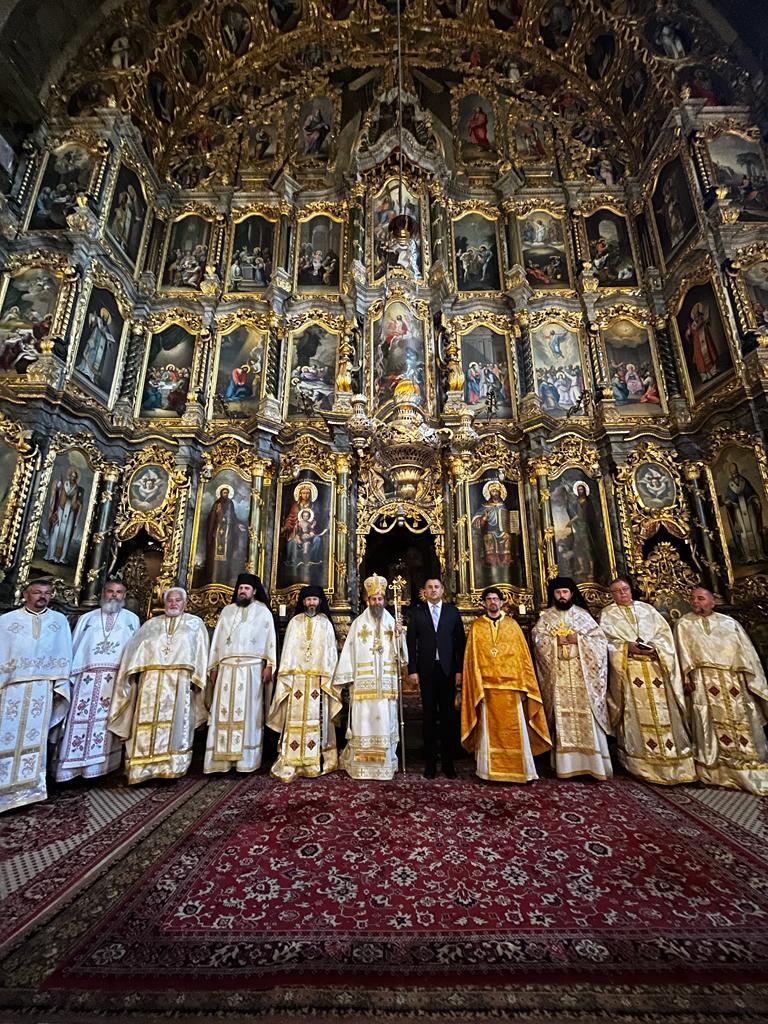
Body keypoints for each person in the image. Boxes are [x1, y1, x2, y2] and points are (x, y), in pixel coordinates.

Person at [108, 587, 209, 784]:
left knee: (177, 725)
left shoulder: (195, 624)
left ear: (185, 604)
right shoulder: (150, 625)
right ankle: (141, 769)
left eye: (178, 600)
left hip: (180, 682)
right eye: (170, 600)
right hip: (150, 683)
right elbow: (134, 653)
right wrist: (135, 673)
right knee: (144, 723)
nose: (173, 603)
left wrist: (197, 680)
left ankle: (172, 767)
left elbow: (201, 653)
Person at [600, 578, 695, 785]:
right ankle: (638, 763)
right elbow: (605, 642)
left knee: (665, 712)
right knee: (634, 713)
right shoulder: (608, 614)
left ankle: (676, 762)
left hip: (656, 669)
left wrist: (655, 647)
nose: (622, 594)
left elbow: (665, 636)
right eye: (616, 591)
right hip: (629, 669)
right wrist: (626, 647)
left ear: (630, 590)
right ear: (612, 594)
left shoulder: (648, 611)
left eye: (624, 589)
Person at [675, 586, 768, 795]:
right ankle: (713, 771)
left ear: (712, 602)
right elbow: (682, 652)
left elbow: (746, 652)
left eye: (700, 598)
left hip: (731, 679)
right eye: (693, 599)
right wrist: (685, 675)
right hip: (703, 679)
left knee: (741, 722)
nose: (696, 602)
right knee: (706, 723)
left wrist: (748, 677)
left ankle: (749, 769)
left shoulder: (730, 623)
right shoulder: (684, 624)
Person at [461, 587, 551, 782]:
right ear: (484, 602)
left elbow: (523, 658)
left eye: (495, 599)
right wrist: (476, 684)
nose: (492, 602)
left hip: (512, 688)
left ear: (502, 602)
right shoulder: (477, 627)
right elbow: (472, 659)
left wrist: (525, 685)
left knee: (515, 729)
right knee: (488, 730)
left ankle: (522, 770)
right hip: (486, 688)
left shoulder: (512, 626)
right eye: (488, 599)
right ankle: (488, 771)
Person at [56, 579, 139, 781]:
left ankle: (102, 768)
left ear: (124, 596)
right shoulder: (87, 619)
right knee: (79, 719)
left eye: (119, 592)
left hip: (115, 680)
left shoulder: (131, 620)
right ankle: (70, 769)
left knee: (109, 720)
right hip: (86, 678)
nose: (114, 595)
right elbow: (75, 647)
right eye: (110, 591)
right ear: (103, 593)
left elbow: (136, 651)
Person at [0, 579, 72, 813]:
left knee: (36, 738)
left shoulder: (59, 621)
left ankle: (32, 789)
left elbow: (64, 653)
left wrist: (58, 684)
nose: (42, 596)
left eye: (47, 593)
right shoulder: (6, 621)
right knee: (5, 735)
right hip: (11, 688)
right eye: (37, 592)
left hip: (42, 688)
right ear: (26, 594)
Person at [532, 576, 612, 780]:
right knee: (562, 718)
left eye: (564, 592)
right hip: (559, 679)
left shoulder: (583, 615)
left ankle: (594, 765)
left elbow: (600, 642)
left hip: (582, 677)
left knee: (587, 717)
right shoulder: (547, 617)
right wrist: (554, 642)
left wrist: (579, 640)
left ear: (571, 594)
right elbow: (538, 640)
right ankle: (565, 766)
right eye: (558, 593)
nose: (561, 596)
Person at [332, 574, 406, 780]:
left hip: (385, 685)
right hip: (363, 685)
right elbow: (348, 651)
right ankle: (360, 765)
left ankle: (385, 765)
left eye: (380, 599)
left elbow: (402, 656)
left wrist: (400, 637)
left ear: (385, 600)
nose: (377, 602)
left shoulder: (392, 622)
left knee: (385, 722)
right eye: (373, 599)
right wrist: (347, 677)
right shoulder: (357, 624)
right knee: (363, 722)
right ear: (367, 600)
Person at [205, 573, 276, 774]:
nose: (242, 591)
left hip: (251, 669)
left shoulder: (263, 613)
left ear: (254, 591)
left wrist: (269, 664)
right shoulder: (227, 612)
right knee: (222, 713)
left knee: (249, 714)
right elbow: (217, 641)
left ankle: (246, 761)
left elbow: (270, 640)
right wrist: (214, 666)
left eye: (246, 588)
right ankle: (220, 763)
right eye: (240, 588)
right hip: (226, 669)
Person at [268, 585, 340, 781]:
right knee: (294, 719)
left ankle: (315, 760)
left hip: (319, 681)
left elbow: (330, 653)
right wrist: (288, 676)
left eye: (314, 600)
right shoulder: (294, 622)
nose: (311, 603)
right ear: (303, 602)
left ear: (320, 601)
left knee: (319, 719)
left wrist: (328, 676)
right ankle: (291, 761)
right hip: (297, 680)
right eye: (308, 600)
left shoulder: (325, 624)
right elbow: (288, 652)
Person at [407, 578, 465, 778]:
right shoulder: (416, 613)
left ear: (442, 590)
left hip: (448, 670)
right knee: (429, 716)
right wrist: (412, 670)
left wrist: (459, 670)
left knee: (448, 716)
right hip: (427, 671)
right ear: (424, 591)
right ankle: (430, 763)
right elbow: (411, 644)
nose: (433, 590)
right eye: (430, 587)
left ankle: (448, 763)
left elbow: (460, 643)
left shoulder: (452, 611)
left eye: (437, 587)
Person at [204, 485, 247, 585]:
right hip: (218, 534)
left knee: (227, 557)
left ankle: (224, 578)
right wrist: (216, 513)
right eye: (224, 493)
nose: (225, 495)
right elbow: (211, 517)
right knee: (215, 558)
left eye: (227, 493)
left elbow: (233, 516)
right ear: (220, 494)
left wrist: (237, 525)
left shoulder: (230, 503)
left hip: (228, 534)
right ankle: (213, 578)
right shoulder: (217, 504)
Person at [45, 467, 84, 565]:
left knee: (66, 535)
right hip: (60, 510)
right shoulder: (63, 484)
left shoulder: (77, 488)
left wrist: (76, 504)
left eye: (74, 477)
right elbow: (56, 489)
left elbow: (78, 503)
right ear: (69, 476)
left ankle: (62, 557)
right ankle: (51, 555)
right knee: (56, 532)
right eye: (71, 476)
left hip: (70, 513)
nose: (72, 478)